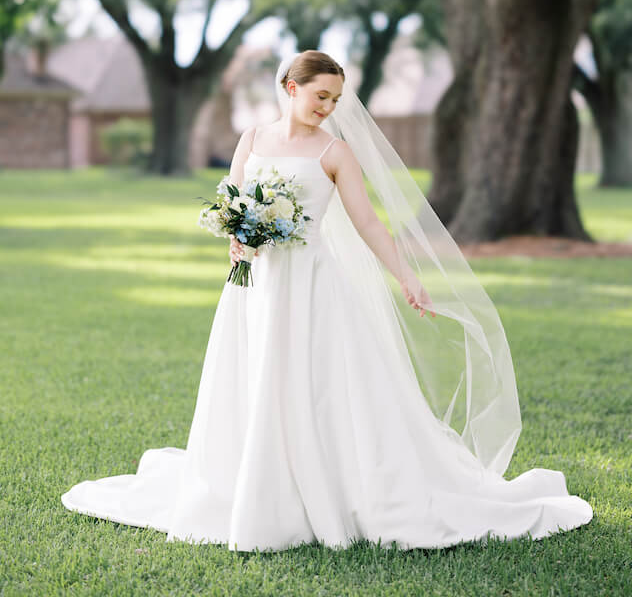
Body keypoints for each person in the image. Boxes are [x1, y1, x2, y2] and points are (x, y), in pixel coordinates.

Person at [62, 50, 593, 550]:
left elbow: (366, 221)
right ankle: (258, 485)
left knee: (318, 384)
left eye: (336, 100)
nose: (328, 108)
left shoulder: (335, 151)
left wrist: (406, 276)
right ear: (290, 88)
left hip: (314, 285)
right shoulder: (252, 138)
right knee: (255, 378)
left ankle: (333, 485)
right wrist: (236, 234)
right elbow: (233, 199)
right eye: (320, 96)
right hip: (255, 286)